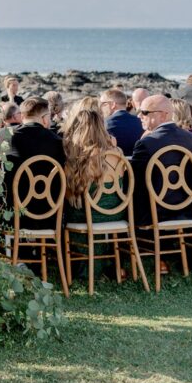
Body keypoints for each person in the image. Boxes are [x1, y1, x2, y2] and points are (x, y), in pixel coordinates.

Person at [63, 109, 126, 278]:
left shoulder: (77, 157)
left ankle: (82, 266)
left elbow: (70, 195)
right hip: (117, 212)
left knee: (65, 212)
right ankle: (108, 263)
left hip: (89, 215)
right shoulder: (117, 153)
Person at [130, 95, 192, 225]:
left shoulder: (147, 142)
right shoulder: (191, 138)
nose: (139, 116)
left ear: (162, 115)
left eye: (144, 112)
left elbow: (134, 179)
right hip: (186, 209)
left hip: (153, 212)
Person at [5, 97, 65, 226]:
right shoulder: (57, 141)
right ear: (44, 118)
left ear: (22, 116)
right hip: (49, 211)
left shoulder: (6, 136)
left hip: (14, 212)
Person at [99, 88, 143, 157]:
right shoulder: (141, 123)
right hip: (139, 166)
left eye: (103, 104)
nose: (100, 108)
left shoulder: (103, 124)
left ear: (113, 105)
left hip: (113, 166)